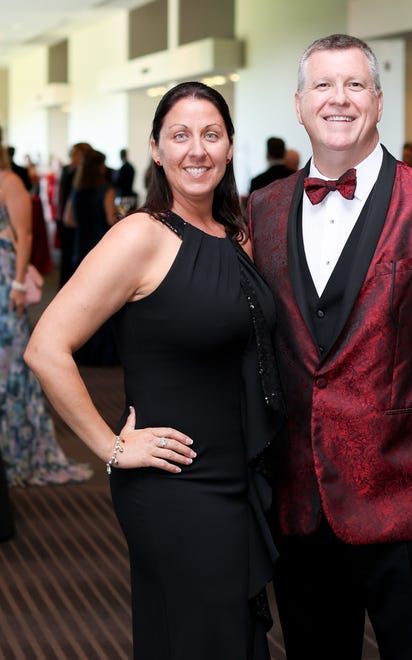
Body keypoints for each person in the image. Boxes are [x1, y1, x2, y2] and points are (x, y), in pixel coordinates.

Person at [248, 34, 412, 659]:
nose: (340, 99)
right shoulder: (262, 208)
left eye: (355, 85)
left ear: (380, 102)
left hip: (410, 496)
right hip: (300, 497)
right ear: (301, 104)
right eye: (324, 86)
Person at [24, 81, 284, 660]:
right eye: (180, 136)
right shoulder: (140, 235)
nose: (198, 150)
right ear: (157, 150)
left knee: (229, 639)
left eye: (211, 135)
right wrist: (111, 448)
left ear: (230, 147)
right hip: (174, 484)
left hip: (236, 476)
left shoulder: (237, 235)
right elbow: (45, 347)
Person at [0, 145, 93, 487]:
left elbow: (25, 234)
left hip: (5, 279)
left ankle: (19, 450)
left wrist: (19, 282)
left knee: (10, 366)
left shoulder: (8, 180)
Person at [64, 148, 119, 366]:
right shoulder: (107, 190)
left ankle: (82, 350)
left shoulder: (76, 190)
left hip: (80, 247)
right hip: (100, 249)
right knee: (104, 302)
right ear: (99, 167)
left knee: (84, 302)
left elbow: (69, 220)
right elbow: (110, 218)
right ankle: (101, 352)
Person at [55, 142, 92, 287]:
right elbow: (61, 193)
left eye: (77, 154)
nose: (74, 156)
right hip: (66, 217)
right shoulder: (66, 170)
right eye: (73, 153)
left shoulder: (87, 174)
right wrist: (59, 214)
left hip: (82, 219)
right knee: (66, 255)